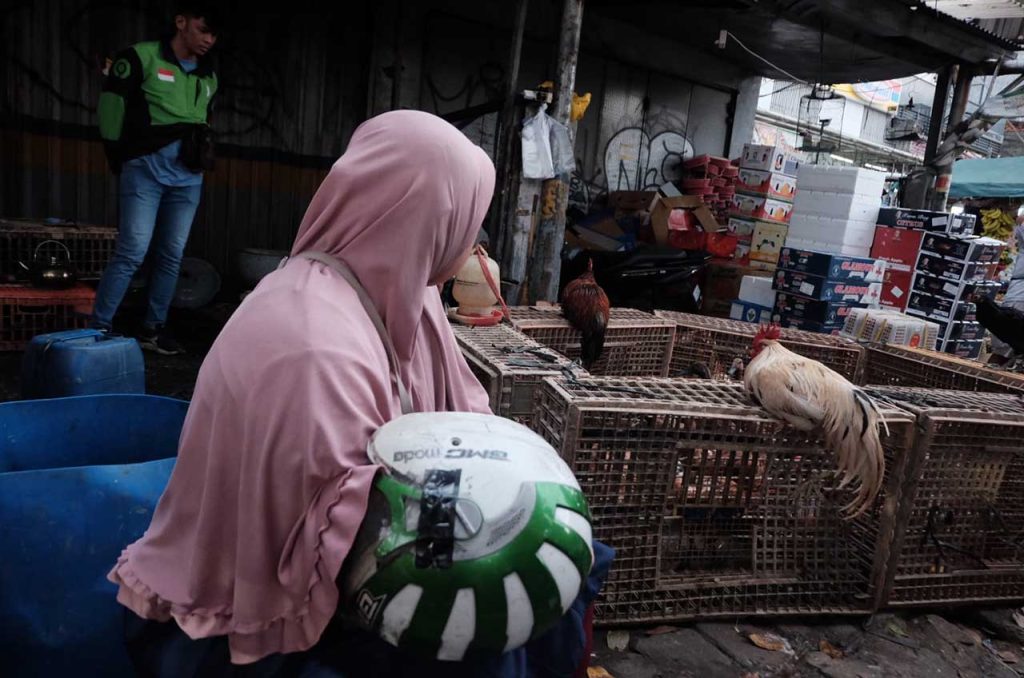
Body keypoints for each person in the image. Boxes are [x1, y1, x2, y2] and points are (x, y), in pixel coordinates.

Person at [107, 110, 610, 677]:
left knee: (575, 560)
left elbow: (468, 422)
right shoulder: (310, 343)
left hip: (369, 546)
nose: (471, 243)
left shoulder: (408, 295)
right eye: (468, 219)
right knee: (491, 640)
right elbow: (343, 548)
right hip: (267, 612)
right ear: (431, 215)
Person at [92, 3, 220, 355]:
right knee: (132, 251)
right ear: (181, 22)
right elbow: (110, 109)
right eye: (203, 29)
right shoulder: (139, 58)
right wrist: (118, 157)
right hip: (145, 172)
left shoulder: (209, 75)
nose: (209, 39)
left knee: (171, 255)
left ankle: (153, 329)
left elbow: (203, 119)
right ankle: (98, 329)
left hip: (188, 180)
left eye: (213, 34)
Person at [990, 214, 1024, 364]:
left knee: (1003, 352)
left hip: (1017, 300)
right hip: (1017, 299)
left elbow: (1021, 218)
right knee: (1003, 351)